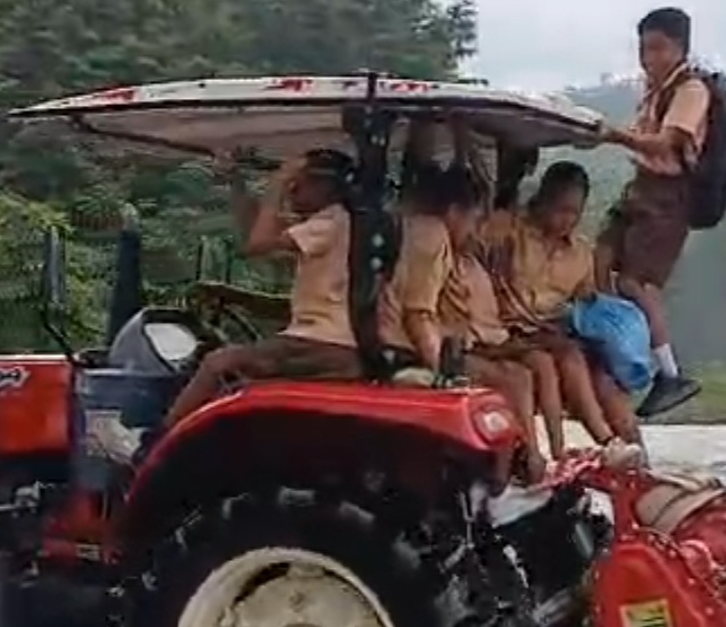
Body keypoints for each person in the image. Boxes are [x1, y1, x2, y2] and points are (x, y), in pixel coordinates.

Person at [160, 149, 363, 430]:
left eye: (298, 183)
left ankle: (156, 440)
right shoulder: (333, 227)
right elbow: (255, 235)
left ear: (326, 186)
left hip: (321, 345)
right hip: (330, 344)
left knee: (217, 364)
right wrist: (237, 181)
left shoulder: (330, 223)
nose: (292, 191)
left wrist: (277, 183)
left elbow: (257, 244)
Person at [388, 165, 549, 483]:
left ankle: (523, 458)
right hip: (402, 347)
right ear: (454, 212)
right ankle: (502, 479)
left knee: (516, 375)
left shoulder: (425, 233)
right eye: (474, 220)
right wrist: (444, 373)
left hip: (415, 341)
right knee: (507, 381)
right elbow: (418, 314)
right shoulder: (432, 236)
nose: (475, 230)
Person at [598, 6, 709, 419]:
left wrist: (613, 135)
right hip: (641, 188)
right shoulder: (654, 89)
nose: (649, 59)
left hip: (667, 198)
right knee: (600, 257)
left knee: (637, 281)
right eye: (644, 49)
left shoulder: (691, 90)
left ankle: (669, 373)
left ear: (680, 48)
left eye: (659, 49)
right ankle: (610, 343)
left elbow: (663, 144)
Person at [485, 162, 638, 456]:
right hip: (508, 330)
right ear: (542, 200)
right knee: (567, 358)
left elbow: (588, 305)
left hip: (553, 332)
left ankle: (630, 455)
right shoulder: (509, 232)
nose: (568, 219)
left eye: (575, 213)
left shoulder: (581, 253)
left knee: (601, 377)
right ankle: (592, 442)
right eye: (561, 209)